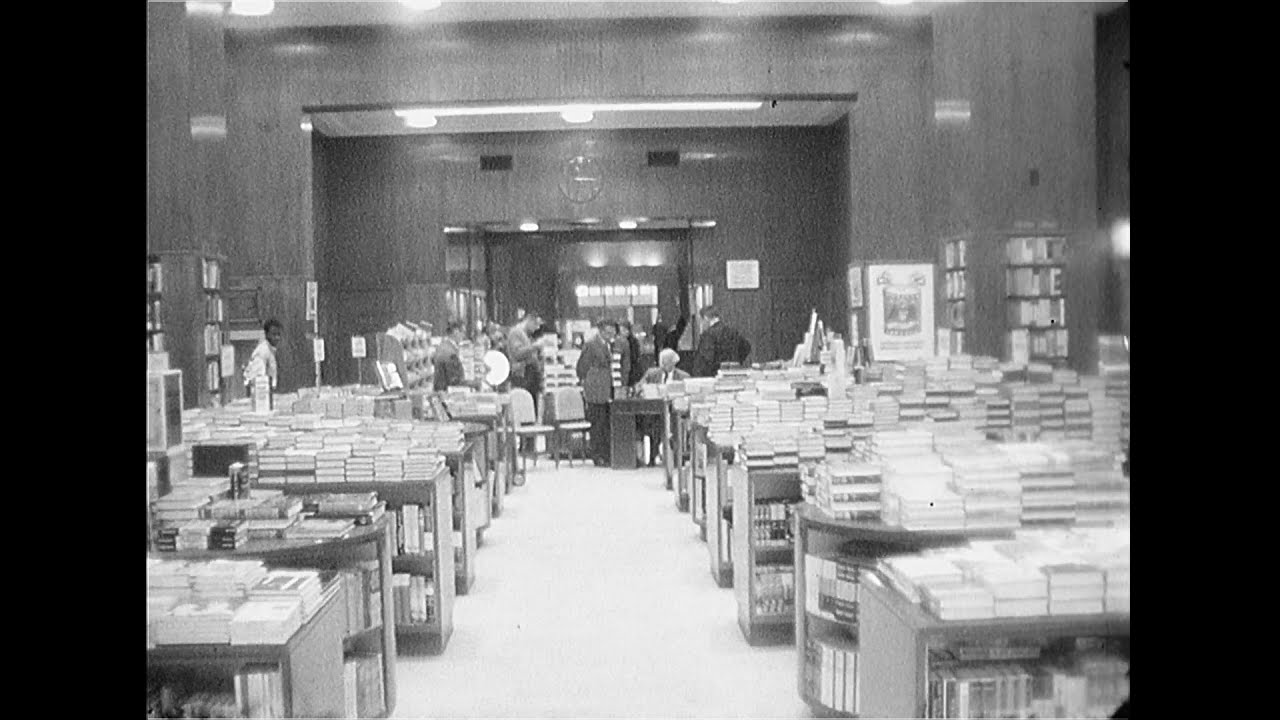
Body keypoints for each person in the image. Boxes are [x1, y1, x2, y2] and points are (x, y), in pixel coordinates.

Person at [639, 348, 691, 466]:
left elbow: (688, 395)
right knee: (653, 424)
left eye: (667, 362)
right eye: (662, 362)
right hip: (656, 412)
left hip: (675, 412)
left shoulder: (683, 376)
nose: (663, 365)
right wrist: (644, 391)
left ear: (674, 362)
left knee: (675, 423)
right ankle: (653, 456)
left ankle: (677, 457)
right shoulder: (652, 373)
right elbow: (639, 386)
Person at [576, 319, 616, 467]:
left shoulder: (608, 345)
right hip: (595, 389)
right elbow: (582, 367)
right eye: (607, 332)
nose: (610, 334)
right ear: (600, 330)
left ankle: (605, 454)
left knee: (604, 423)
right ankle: (597, 455)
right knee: (597, 423)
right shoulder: (591, 344)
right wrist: (587, 384)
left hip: (605, 389)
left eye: (612, 332)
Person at [693, 305, 751, 377]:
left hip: (714, 375)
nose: (701, 324)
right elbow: (746, 346)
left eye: (701, 320)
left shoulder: (708, 335)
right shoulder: (732, 331)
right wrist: (737, 361)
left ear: (706, 318)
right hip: (732, 373)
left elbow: (705, 359)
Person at [244, 318, 283, 391]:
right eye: (274, 334)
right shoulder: (263, 351)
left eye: (278, 334)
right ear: (267, 335)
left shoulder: (271, 350)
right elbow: (257, 379)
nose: (277, 338)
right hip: (262, 394)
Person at [433, 320, 472, 392]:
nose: (464, 336)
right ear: (456, 331)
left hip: (441, 392)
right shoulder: (450, 353)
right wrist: (474, 384)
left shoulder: (444, 346)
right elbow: (455, 381)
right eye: (463, 332)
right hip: (446, 394)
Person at [506, 313, 541, 395]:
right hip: (522, 376)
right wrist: (535, 346)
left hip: (529, 375)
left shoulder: (524, 335)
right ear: (529, 320)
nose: (537, 328)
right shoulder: (516, 333)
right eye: (535, 324)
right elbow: (517, 353)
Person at [619, 320, 644, 388]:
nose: (626, 332)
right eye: (623, 330)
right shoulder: (617, 342)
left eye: (626, 330)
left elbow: (635, 357)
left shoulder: (633, 342)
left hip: (632, 371)